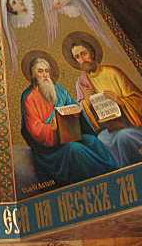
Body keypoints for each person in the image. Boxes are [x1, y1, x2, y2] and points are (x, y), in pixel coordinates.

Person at [64, 32, 142, 166]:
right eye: (77, 57)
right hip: (111, 127)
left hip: (134, 123)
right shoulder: (82, 83)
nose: (82, 59)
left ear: (92, 53)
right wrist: (87, 103)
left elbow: (139, 100)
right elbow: (88, 118)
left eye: (84, 54)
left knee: (123, 137)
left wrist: (120, 101)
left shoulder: (112, 72)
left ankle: (136, 168)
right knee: (102, 139)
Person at [20, 52, 116, 187]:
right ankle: (104, 179)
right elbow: (33, 128)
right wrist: (51, 127)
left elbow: (74, 106)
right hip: (49, 148)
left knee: (92, 140)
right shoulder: (28, 97)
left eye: (47, 71)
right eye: (40, 71)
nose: (45, 75)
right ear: (32, 74)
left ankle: (114, 169)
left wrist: (75, 113)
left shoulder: (59, 90)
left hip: (69, 135)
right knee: (75, 149)